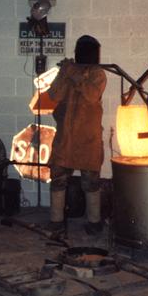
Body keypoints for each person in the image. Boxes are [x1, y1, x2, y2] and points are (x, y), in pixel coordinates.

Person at [46, 35, 107, 235]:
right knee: (58, 178)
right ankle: (56, 222)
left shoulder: (98, 73)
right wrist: (64, 73)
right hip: (66, 137)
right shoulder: (69, 70)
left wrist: (73, 73)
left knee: (91, 182)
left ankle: (94, 222)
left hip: (88, 138)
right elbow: (54, 95)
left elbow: (91, 95)